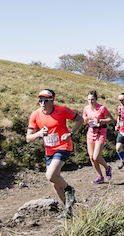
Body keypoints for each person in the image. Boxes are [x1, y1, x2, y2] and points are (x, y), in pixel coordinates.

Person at [26, 89, 84, 218]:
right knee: (54, 183)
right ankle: (67, 209)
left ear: (52, 100)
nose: (42, 103)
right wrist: (39, 134)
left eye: (46, 100)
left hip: (63, 146)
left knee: (50, 175)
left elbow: (80, 119)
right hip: (49, 150)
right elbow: (28, 138)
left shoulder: (62, 110)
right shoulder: (35, 115)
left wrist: (70, 134)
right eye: (40, 100)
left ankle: (69, 189)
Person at [83, 90, 115, 184]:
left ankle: (107, 168)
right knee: (91, 157)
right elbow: (84, 119)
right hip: (90, 133)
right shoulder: (86, 108)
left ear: (96, 99)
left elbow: (111, 119)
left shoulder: (102, 108)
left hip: (101, 132)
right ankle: (100, 176)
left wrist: (100, 121)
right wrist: (84, 120)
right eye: (89, 99)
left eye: (92, 99)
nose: (90, 101)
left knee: (96, 156)